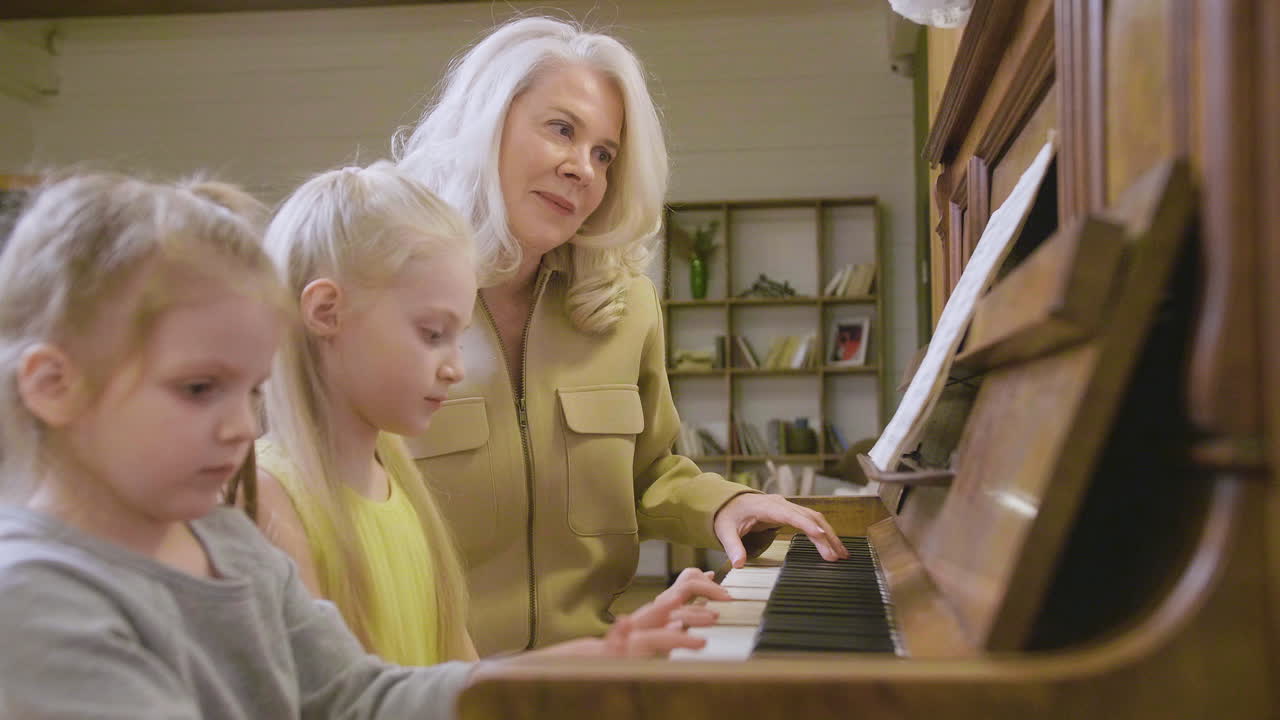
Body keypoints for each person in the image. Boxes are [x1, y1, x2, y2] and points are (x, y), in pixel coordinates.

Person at [393, 16, 848, 655]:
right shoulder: (382, 294)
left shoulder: (623, 302)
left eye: (604, 153)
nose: (583, 168)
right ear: (485, 124)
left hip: (595, 671)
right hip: (426, 682)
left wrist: (724, 506)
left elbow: (650, 473)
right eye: (562, 129)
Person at [0, 172, 473, 717]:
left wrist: (540, 681)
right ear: (55, 385)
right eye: (199, 389)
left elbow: (353, 699)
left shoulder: (233, 547)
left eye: (252, 391)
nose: (244, 428)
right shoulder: (34, 598)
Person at [244, 162, 720, 665]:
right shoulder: (268, 499)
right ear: (325, 312)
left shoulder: (398, 482)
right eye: (432, 334)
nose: (456, 367)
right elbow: (353, 700)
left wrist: (609, 650)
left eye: (459, 335)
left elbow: (462, 676)